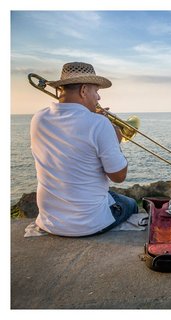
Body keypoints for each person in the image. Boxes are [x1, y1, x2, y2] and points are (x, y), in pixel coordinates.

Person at [30, 62, 138, 236]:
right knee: (131, 204)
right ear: (84, 90)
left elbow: (73, 133)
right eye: (96, 91)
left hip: (49, 221)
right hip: (88, 224)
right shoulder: (99, 124)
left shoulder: (38, 118)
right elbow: (119, 177)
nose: (98, 98)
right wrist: (115, 141)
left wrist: (95, 121)